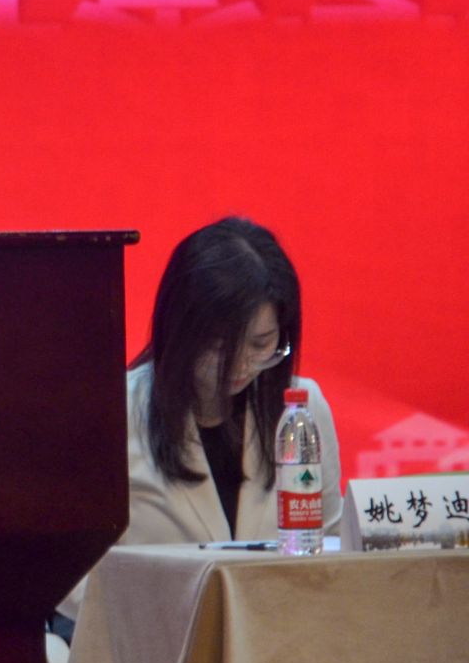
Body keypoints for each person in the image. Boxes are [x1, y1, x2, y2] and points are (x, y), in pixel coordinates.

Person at [54, 216, 343, 632]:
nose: (241, 365)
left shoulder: (302, 408)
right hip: (151, 644)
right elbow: (68, 576)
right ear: (180, 329)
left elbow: (332, 546)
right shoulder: (112, 413)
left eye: (261, 344)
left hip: (278, 641)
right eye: (221, 346)